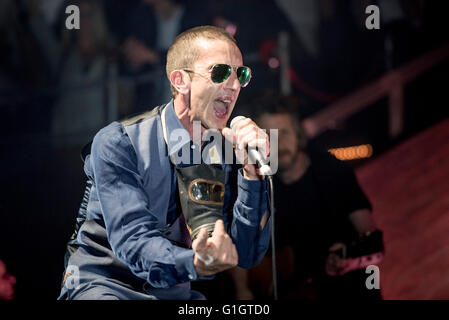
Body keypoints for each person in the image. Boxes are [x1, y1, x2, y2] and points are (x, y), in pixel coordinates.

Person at [58, 25, 271, 300]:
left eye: (241, 74)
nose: (233, 85)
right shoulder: (120, 141)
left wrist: (252, 175)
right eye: (219, 72)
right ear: (180, 80)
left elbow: (247, 253)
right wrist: (195, 262)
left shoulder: (224, 151)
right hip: (105, 287)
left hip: (174, 294)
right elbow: (134, 244)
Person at [228, 92, 384, 300]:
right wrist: (242, 290)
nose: (278, 143)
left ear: (298, 134)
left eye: (284, 132)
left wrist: (348, 258)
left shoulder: (331, 171)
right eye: (269, 135)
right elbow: (239, 245)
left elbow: (373, 242)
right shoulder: (258, 184)